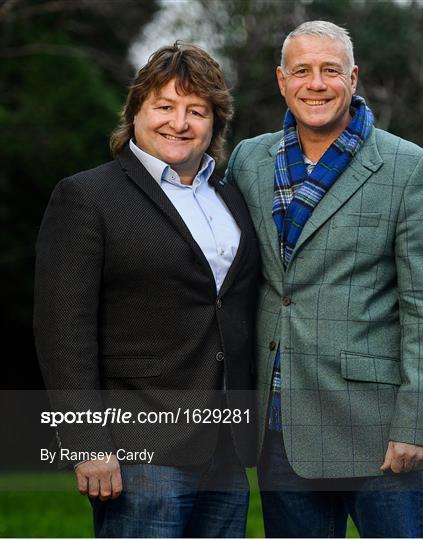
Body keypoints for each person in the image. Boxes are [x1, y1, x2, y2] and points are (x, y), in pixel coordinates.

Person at [225, 20, 423, 538]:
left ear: (353, 77)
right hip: (279, 425)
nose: (316, 83)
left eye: (330, 70)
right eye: (302, 71)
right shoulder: (248, 160)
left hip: (374, 428)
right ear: (280, 80)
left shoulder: (411, 169)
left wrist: (417, 423)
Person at [34, 42, 260, 538]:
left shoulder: (231, 198)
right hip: (139, 449)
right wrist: (85, 444)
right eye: (165, 106)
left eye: (196, 111)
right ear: (136, 109)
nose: (179, 122)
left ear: (214, 124)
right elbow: (63, 332)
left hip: (226, 449)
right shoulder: (87, 197)